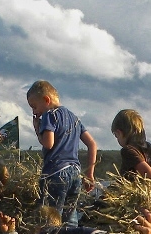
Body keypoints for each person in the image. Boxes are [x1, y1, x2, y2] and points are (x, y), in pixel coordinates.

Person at [27, 80, 98, 222]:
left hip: (56, 173)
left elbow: (48, 143)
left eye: (34, 107)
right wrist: (90, 174)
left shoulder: (50, 115)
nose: (35, 112)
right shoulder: (75, 119)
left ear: (46, 100)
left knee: (51, 217)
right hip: (75, 174)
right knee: (70, 218)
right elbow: (92, 144)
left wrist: (37, 129)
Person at [112, 109, 151, 189]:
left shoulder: (128, 151)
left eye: (116, 136)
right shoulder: (149, 147)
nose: (117, 139)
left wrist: (147, 193)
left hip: (133, 194)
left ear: (119, 133)